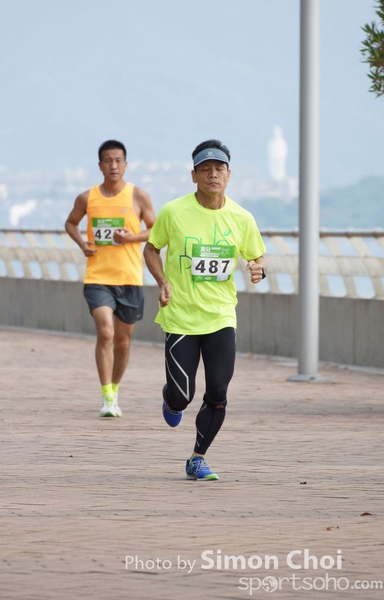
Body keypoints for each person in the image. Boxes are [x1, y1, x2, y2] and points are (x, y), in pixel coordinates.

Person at [143, 139, 267, 481]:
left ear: (229, 175)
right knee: (182, 396)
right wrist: (163, 281)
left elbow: (256, 255)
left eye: (219, 168)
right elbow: (151, 249)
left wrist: (258, 268)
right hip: (181, 316)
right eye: (205, 169)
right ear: (194, 175)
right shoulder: (174, 212)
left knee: (218, 392)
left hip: (221, 316)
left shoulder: (242, 218)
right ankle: (171, 400)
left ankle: (197, 458)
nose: (213, 174)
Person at [65, 140, 156, 417]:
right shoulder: (87, 198)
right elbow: (71, 223)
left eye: (118, 160)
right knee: (105, 332)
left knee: (123, 343)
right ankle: (106, 397)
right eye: (108, 160)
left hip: (129, 278)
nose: (113, 165)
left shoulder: (138, 196)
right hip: (98, 277)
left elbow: (156, 230)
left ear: (125, 165)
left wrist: (133, 237)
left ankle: (114, 390)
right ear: (100, 165)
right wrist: (82, 244)